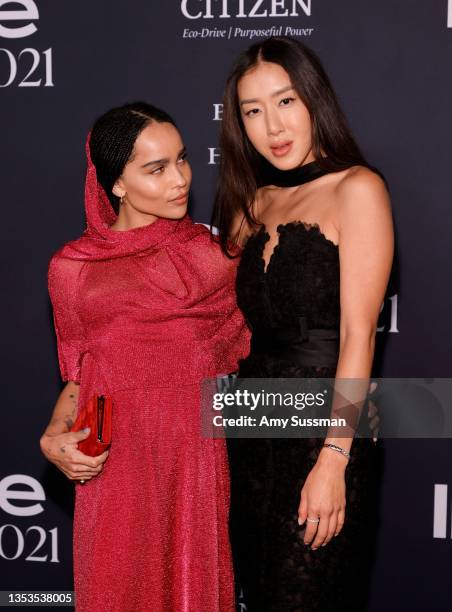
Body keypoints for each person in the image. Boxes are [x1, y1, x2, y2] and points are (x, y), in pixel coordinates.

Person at [40, 102, 248, 612]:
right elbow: (83, 372)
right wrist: (53, 436)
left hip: (193, 459)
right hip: (115, 468)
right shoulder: (72, 270)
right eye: (156, 169)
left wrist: (353, 410)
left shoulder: (214, 256)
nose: (179, 180)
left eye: (182, 159)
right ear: (117, 184)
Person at [212, 37, 394, 611]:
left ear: (314, 100)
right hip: (250, 430)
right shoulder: (251, 203)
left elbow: (360, 336)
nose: (273, 126)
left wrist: (334, 458)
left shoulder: (357, 189)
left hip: (325, 430)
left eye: (286, 101)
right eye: (253, 111)